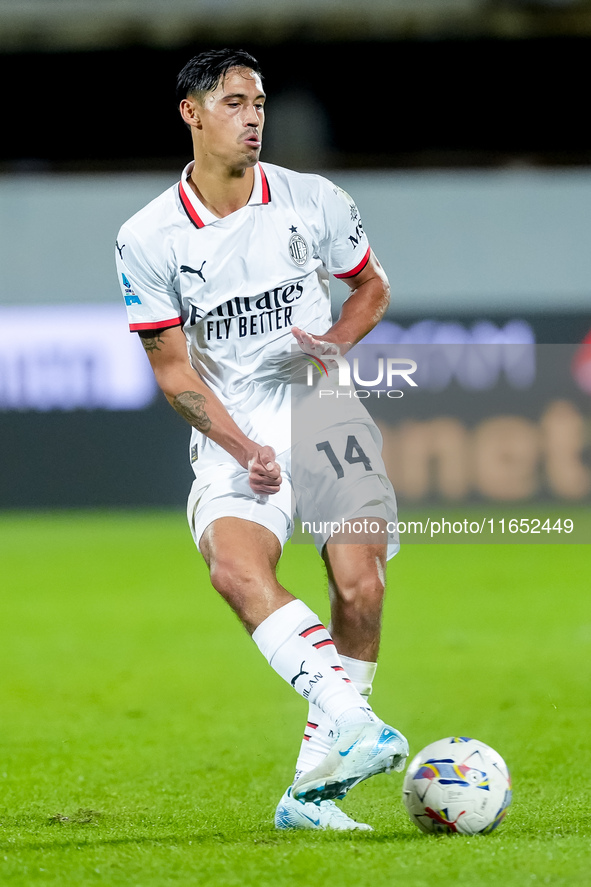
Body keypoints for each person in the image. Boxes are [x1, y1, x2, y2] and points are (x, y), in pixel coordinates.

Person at [115, 48, 408, 831]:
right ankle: (352, 719)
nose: (253, 118)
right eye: (236, 102)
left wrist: (337, 340)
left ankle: (313, 791)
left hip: (321, 409)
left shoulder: (312, 200)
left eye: (260, 103)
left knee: (360, 585)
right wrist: (243, 449)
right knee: (235, 571)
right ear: (192, 113)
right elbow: (174, 371)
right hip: (233, 425)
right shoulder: (148, 237)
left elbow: (371, 285)